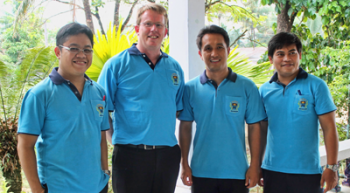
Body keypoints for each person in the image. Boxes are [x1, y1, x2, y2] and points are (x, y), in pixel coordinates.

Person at [97, 3, 184, 193]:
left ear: (165, 31)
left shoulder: (175, 68)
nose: (154, 29)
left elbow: (177, 109)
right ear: (137, 29)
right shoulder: (116, 65)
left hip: (167, 156)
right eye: (148, 24)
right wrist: (117, 142)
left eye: (159, 25)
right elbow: (101, 113)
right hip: (130, 156)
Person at [17, 23, 110, 193]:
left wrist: (105, 172)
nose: (82, 55)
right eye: (74, 48)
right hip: (58, 188)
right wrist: (37, 189)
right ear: (58, 52)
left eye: (87, 49)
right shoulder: (40, 94)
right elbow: (25, 145)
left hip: (96, 187)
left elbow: (101, 136)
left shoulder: (99, 92)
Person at [178, 25, 266, 193]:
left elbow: (255, 127)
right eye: (208, 49)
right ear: (200, 54)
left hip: (237, 172)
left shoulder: (247, 87)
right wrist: (184, 164)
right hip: (201, 173)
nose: (214, 54)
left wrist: (255, 166)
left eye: (220, 47)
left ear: (228, 50)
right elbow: (185, 127)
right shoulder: (190, 89)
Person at [259, 32, 339, 193]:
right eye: (280, 54)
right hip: (272, 170)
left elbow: (329, 128)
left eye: (292, 53)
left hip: (307, 172)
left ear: (300, 55)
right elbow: (261, 130)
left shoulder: (316, 86)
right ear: (270, 59)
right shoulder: (264, 90)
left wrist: (331, 167)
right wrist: (257, 165)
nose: (287, 58)